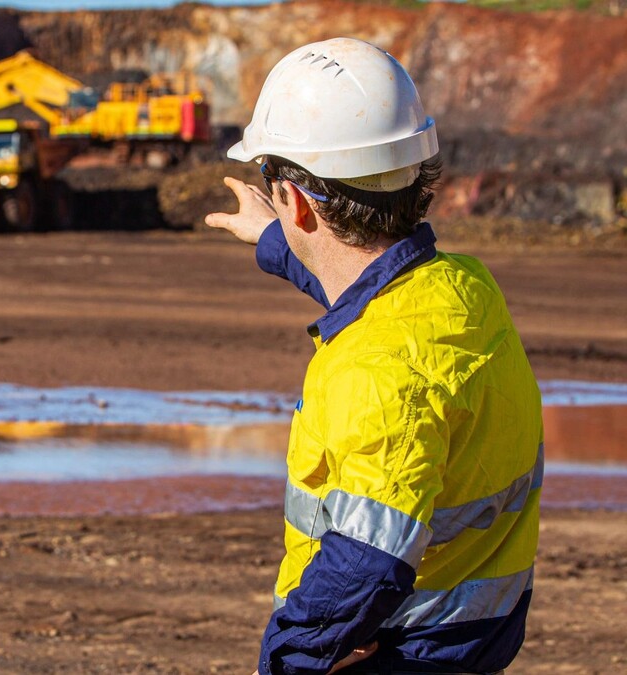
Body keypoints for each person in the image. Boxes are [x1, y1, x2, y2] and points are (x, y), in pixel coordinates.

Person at [205, 38, 542, 675]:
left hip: (400, 649)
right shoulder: (462, 289)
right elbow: (366, 285)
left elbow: (366, 560)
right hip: (477, 629)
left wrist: (291, 657)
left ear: (296, 201)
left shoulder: (380, 370)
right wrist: (276, 239)